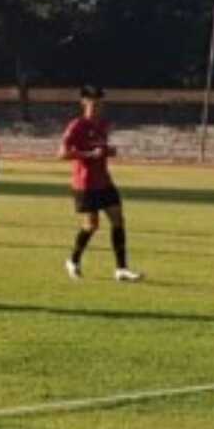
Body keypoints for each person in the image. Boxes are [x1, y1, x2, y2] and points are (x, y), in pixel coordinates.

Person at [60, 86, 143, 282]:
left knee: (118, 220)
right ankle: (73, 261)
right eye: (93, 103)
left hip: (104, 181)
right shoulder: (76, 126)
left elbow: (100, 148)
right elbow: (62, 154)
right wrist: (89, 154)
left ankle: (121, 269)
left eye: (100, 103)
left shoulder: (103, 124)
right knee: (91, 225)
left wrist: (108, 151)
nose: (97, 107)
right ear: (84, 102)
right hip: (85, 183)